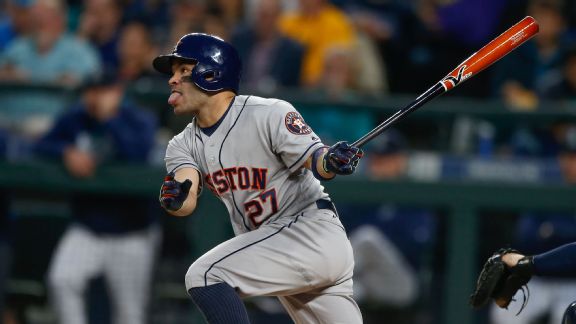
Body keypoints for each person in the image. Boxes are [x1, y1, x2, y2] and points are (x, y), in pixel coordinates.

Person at [154, 33, 364, 323]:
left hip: (307, 232)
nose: (172, 79)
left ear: (211, 74)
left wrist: (331, 159)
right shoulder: (182, 144)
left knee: (205, 275)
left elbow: (317, 161)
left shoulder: (268, 113)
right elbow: (186, 196)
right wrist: (176, 198)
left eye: (183, 71)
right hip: (277, 247)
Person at [34, 73, 160, 324]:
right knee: (62, 280)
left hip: (132, 231)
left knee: (130, 314)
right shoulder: (77, 119)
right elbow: (41, 145)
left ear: (118, 92)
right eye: (92, 90)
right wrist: (65, 151)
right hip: (88, 228)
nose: (96, 97)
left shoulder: (138, 119)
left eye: (103, 90)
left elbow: (139, 153)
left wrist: (109, 119)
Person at [491, 243, 576, 323]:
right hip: (538, 281)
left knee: (573, 313)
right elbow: (527, 236)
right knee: (504, 316)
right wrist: (529, 264)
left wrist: (529, 264)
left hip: (571, 283)